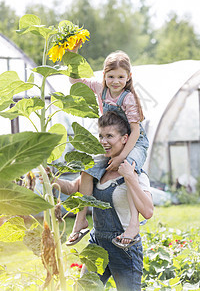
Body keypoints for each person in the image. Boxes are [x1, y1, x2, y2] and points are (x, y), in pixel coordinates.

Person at [40, 111, 153, 291]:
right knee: (85, 288)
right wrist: (51, 179)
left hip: (124, 247)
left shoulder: (136, 173)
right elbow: (72, 188)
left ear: (125, 138)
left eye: (110, 136)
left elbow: (148, 211)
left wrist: (130, 177)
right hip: (97, 243)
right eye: (101, 136)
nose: (103, 141)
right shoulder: (98, 170)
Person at [67, 45, 149, 247]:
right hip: (113, 140)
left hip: (133, 142)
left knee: (128, 168)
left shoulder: (128, 98)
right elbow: (74, 81)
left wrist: (121, 158)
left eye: (121, 77)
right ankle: (81, 218)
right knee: (88, 168)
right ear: (104, 75)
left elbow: (135, 131)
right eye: (111, 76)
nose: (115, 82)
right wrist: (73, 55)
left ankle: (133, 225)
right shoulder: (100, 88)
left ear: (128, 77)